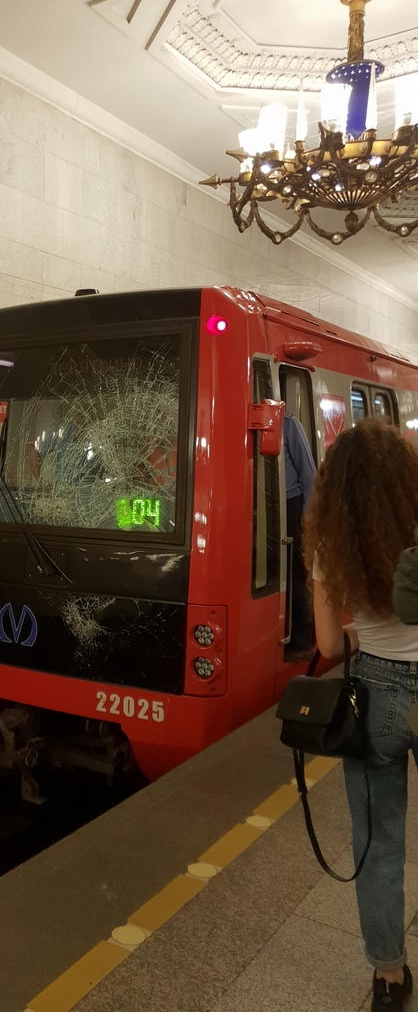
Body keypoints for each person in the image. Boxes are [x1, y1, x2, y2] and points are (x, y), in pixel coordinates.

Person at [302, 417, 418, 1012]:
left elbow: (327, 645)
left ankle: (389, 979)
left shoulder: (332, 545)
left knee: (378, 842)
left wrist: (359, 632)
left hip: (377, 697)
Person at [284, 412, 317, 659]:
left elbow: (309, 474)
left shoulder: (288, 423)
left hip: (291, 504)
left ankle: (303, 638)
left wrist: (306, 515)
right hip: (262, 504)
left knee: (296, 572)